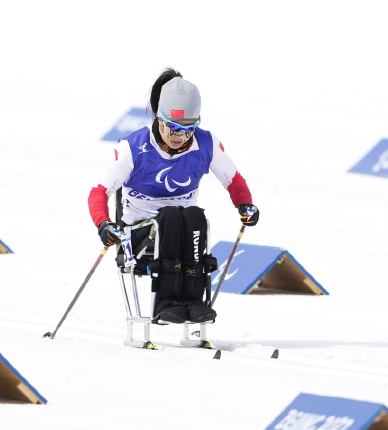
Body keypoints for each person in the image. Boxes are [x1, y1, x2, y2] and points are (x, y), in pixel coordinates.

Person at [88, 68, 259, 325]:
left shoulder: (206, 144)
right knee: (168, 216)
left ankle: (192, 301)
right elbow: (98, 192)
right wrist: (103, 224)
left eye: (189, 129)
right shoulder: (133, 148)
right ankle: (166, 302)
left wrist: (245, 204)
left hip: (184, 231)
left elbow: (234, 180)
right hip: (139, 235)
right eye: (173, 128)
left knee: (194, 216)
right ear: (159, 117)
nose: (180, 137)